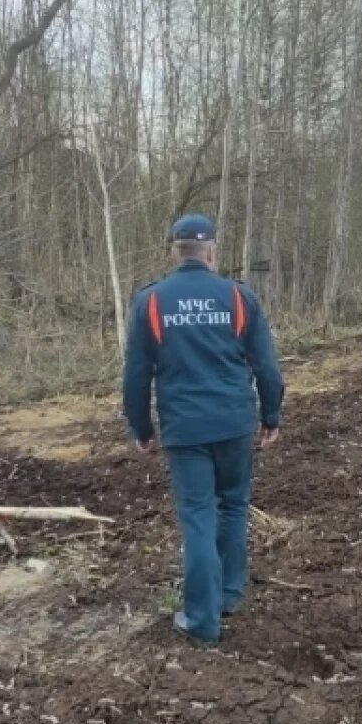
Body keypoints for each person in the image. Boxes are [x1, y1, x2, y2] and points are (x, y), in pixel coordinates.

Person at [122, 214, 285, 646]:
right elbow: (266, 365)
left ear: (174, 252)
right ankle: (228, 595)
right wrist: (271, 415)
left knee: (198, 516)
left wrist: (141, 427)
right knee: (232, 507)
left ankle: (202, 618)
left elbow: (136, 375)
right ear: (212, 251)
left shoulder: (152, 302)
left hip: (185, 428)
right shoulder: (237, 296)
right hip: (234, 423)